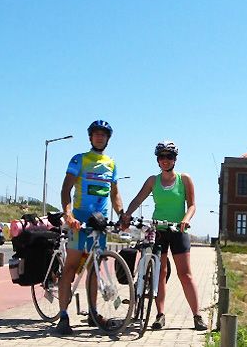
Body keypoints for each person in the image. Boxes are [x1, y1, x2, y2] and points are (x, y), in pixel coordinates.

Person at [120, 141, 208, 331]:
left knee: (185, 274)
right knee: (160, 274)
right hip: (157, 229)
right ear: (157, 160)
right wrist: (126, 215)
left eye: (169, 157)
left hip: (178, 229)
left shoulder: (184, 179)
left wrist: (185, 219)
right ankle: (160, 315)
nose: (165, 160)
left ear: (175, 159)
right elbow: (138, 198)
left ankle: (197, 315)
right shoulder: (153, 180)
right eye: (162, 157)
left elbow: (192, 205)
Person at [56, 119, 124, 335]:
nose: (99, 137)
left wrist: (122, 214)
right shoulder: (80, 159)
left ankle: (93, 313)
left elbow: (114, 194)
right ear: (90, 137)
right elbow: (66, 189)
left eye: (103, 135)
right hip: (80, 222)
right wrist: (68, 215)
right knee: (71, 268)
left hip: (100, 224)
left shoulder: (112, 163)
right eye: (96, 134)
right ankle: (64, 316)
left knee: (94, 270)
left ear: (108, 139)